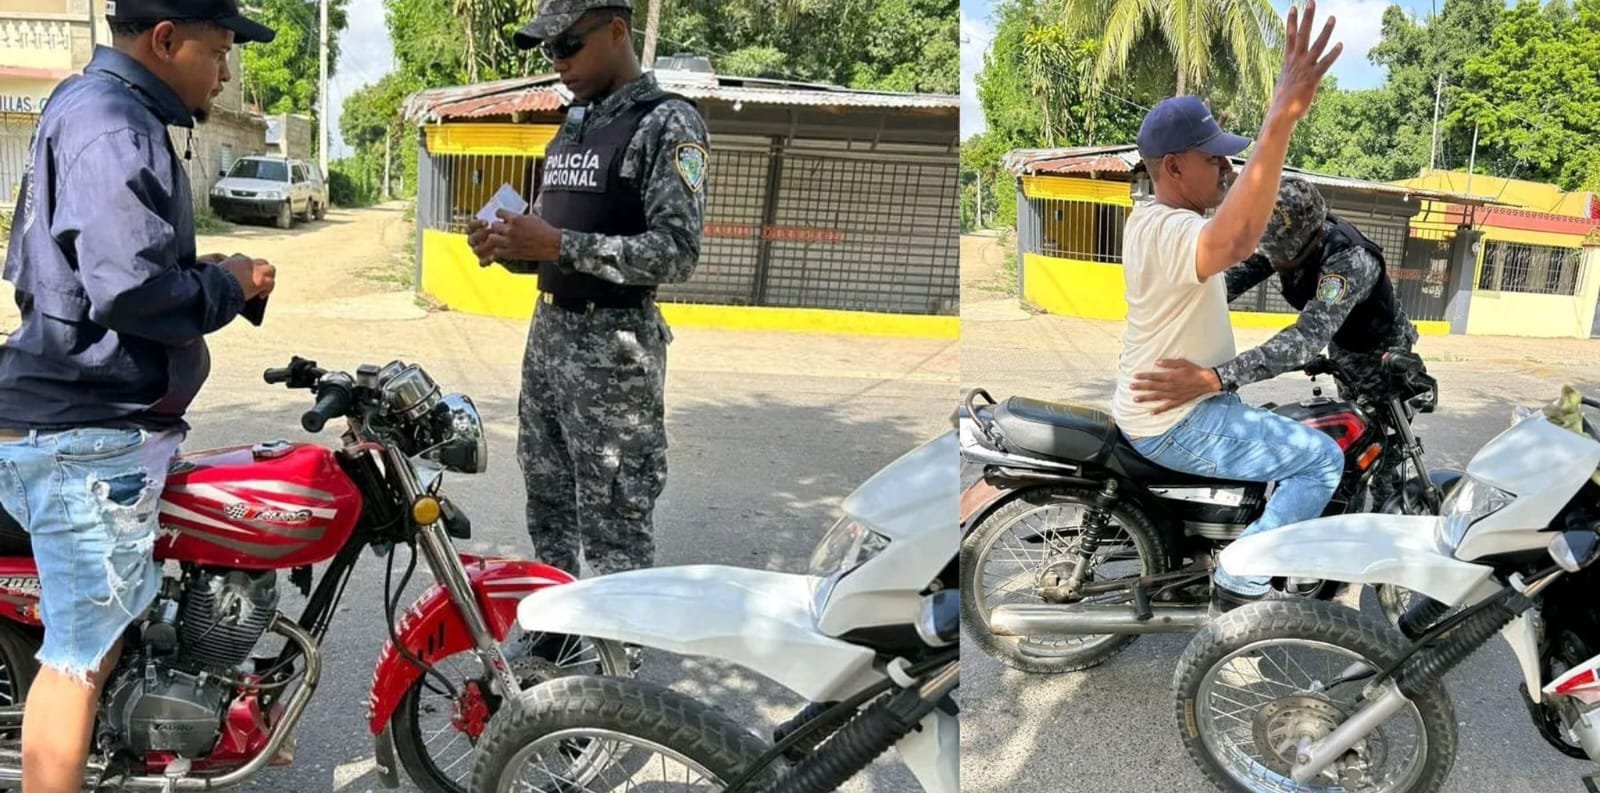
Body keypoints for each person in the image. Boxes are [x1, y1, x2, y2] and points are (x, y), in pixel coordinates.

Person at [0, 1, 277, 789]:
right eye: (218, 51)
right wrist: (227, 285)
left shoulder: (90, 105)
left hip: (87, 422)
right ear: (165, 39)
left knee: (105, 633)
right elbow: (130, 289)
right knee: (78, 659)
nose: (225, 73)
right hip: (85, 434)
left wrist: (208, 275)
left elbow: (94, 270)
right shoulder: (115, 124)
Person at [1110, 0, 1343, 611]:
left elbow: (1240, 262)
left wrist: (1223, 378)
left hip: (1178, 405)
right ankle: (1241, 579)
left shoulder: (1161, 222)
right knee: (1321, 459)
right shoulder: (1170, 228)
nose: (1225, 167)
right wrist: (1281, 117)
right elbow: (1238, 240)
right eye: (1213, 158)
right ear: (1172, 166)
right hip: (1177, 418)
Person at [467, 0, 709, 578]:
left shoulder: (666, 122)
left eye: (568, 45)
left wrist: (558, 245)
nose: (558, 62)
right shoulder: (576, 125)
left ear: (617, 31)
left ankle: (617, 638)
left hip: (613, 355)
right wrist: (510, 245)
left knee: (614, 527)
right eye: (550, 50)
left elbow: (677, 252)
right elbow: (554, 240)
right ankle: (556, 623)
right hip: (549, 341)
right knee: (548, 509)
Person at [1134, 175, 1426, 506]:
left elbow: (1305, 339)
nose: (1276, 264)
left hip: (1381, 349)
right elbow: (1220, 288)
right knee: (1351, 436)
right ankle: (1345, 506)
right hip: (1343, 343)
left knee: (1381, 443)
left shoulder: (1349, 260)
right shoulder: (1279, 240)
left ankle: (1389, 513)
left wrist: (1217, 377)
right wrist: (1164, 324)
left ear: (1311, 240)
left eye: (1283, 259)